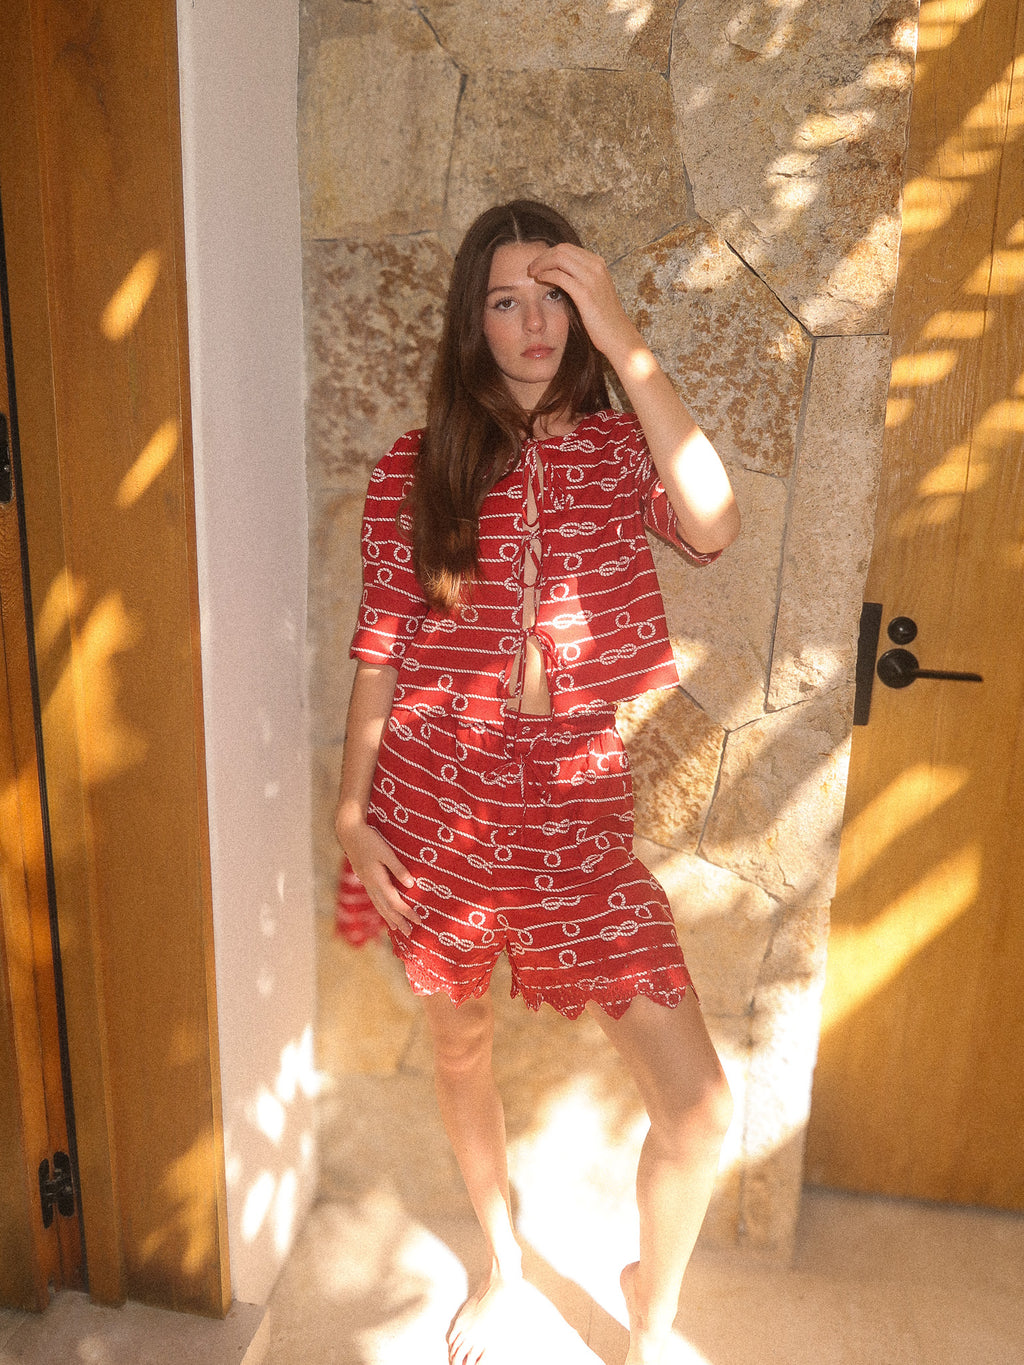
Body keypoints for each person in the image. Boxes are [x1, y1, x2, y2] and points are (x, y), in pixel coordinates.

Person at [334, 200, 740, 1365]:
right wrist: (352, 815)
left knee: (699, 1111)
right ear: (472, 319)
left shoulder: (622, 450)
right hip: (438, 805)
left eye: (554, 294)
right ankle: (503, 1268)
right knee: (459, 1049)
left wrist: (631, 347)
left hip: (573, 810)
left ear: (585, 304)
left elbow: (713, 522)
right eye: (504, 299)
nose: (532, 323)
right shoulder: (417, 467)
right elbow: (377, 649)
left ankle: (646, 1320)